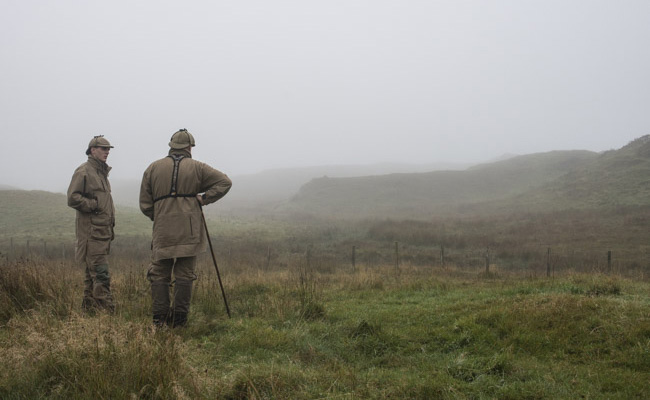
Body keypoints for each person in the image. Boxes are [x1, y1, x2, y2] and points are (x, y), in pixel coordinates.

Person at [139, 129, 232, 327]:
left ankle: (159, 319)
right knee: (184, 274)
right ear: (189, 147)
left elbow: (145, 204)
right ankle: (179, 321)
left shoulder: (153, 168)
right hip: (190, 229)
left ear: (171, 146)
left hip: (162, 228)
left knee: (159, 273)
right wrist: (204, 198)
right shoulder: (197, 167)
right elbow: (225, 182)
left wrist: (160, 216)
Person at [67, 135, 116, 313]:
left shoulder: (101, 173)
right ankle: (107, 314)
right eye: (103, 148)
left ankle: (88, 314)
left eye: (108, 149)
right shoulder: (84, 171)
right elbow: (72, 197)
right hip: (91, 234)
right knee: (100, 274)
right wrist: (93, 205)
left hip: (102, 233)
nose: (107, 152)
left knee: (91, 275)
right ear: (92, 150)